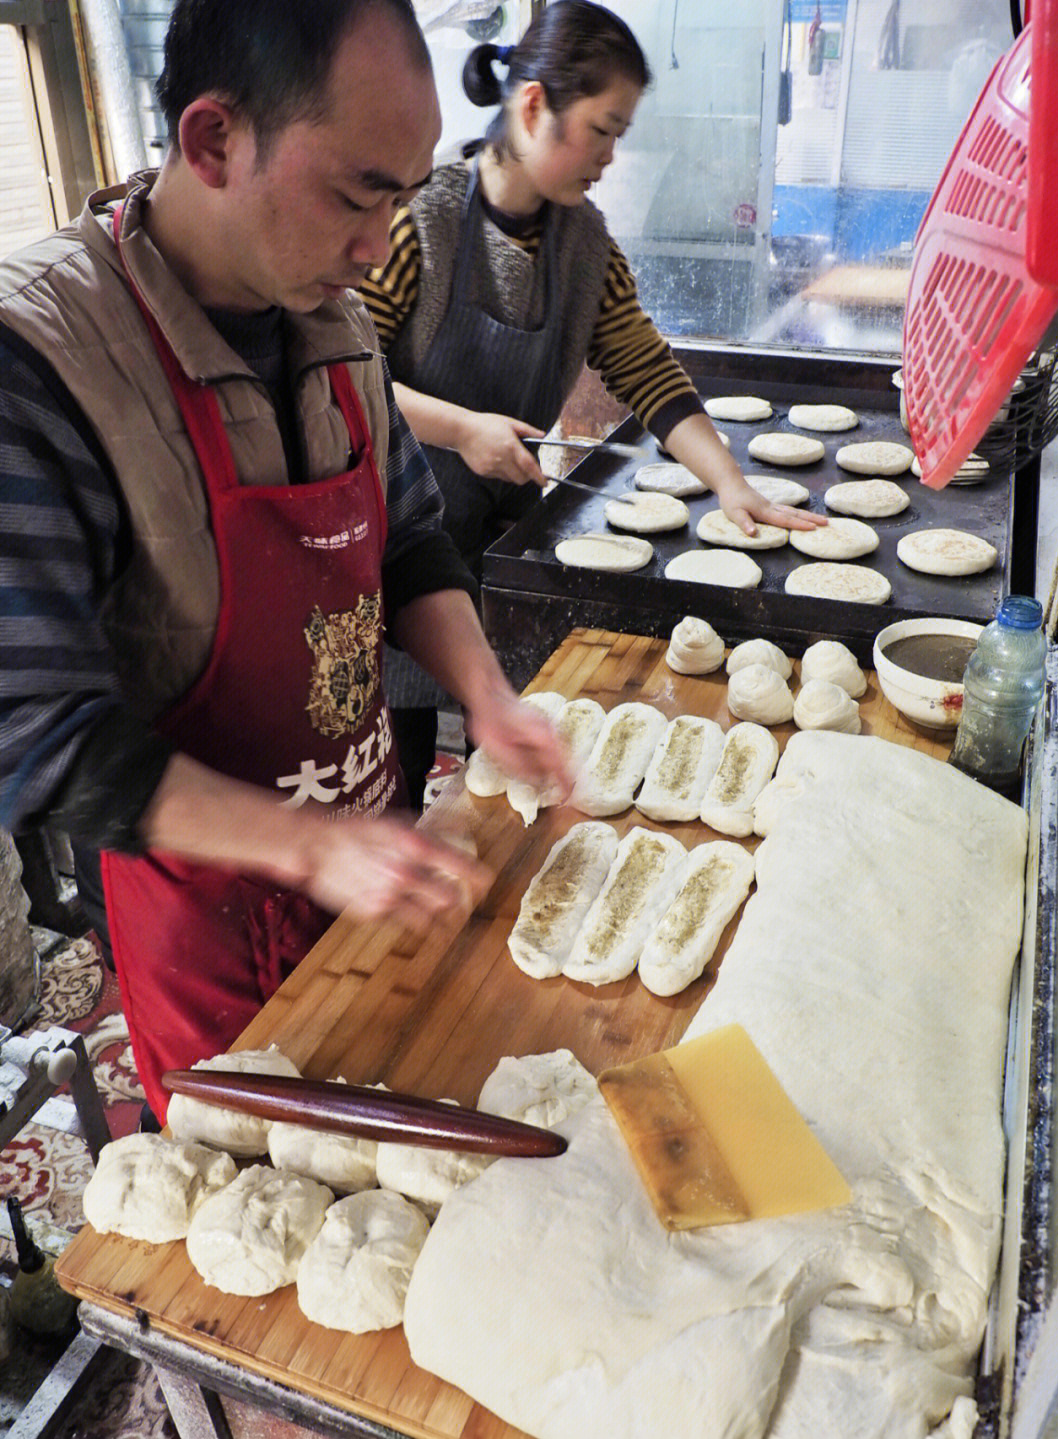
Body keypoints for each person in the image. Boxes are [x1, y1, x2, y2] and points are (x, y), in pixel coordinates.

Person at [0, 0, 570, 1122]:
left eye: (403, 198)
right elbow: (31, 731)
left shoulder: (333, 317)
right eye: (359, 193)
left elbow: (404, 536)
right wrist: (309, 845)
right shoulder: (43, 363)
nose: (379, 246)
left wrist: (487, 695)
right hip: (207, 921)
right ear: (213, 141)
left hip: (364, 862)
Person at [361, 0, 825, 805]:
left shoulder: (585, 246)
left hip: (506, 549)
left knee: (506, 774)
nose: (611, 156)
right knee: (394, 778)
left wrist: (729, 482)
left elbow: (646, 369)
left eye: (620, 135)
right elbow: (345, 378)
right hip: (396, 553)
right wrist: (461, 429)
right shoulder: (419, 225)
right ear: (535, 104)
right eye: (603, 128)